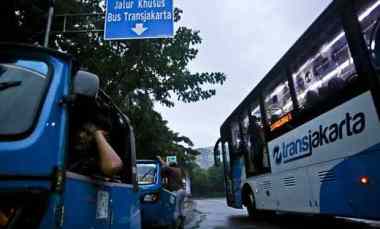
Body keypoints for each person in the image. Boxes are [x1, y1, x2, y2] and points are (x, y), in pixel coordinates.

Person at [156, 156, 186, 226]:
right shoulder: (178, 170)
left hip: (176, 191)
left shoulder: (170, 169)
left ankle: (174, 225)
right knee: (181, 209)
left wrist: (160, 159)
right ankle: (182, 223)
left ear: (170, 164)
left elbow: (165, 167)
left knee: (175, 209)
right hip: (182, 191)